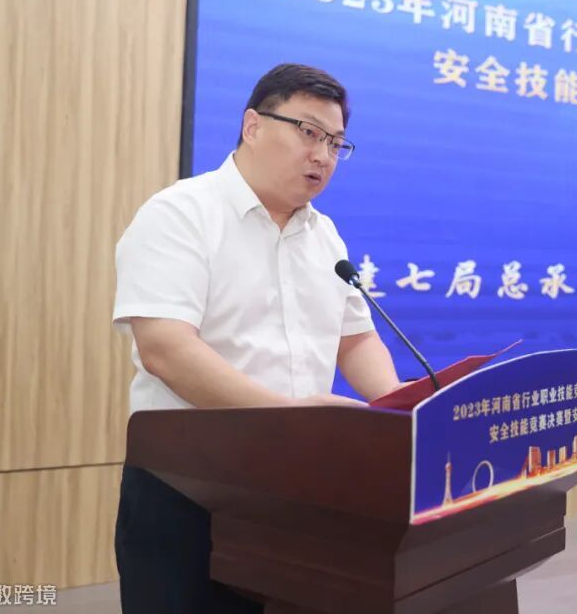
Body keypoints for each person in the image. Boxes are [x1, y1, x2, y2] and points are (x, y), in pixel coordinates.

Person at [111, 63, 400, 613]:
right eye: (309, 132)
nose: (323, 155)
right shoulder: (180, 214)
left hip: (298, 487)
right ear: (253, 125)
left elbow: (356, 340)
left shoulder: (324, 235)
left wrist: (402, 411)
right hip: (190, 486)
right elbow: (166, 349)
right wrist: (288, 419)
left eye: (336, 143)